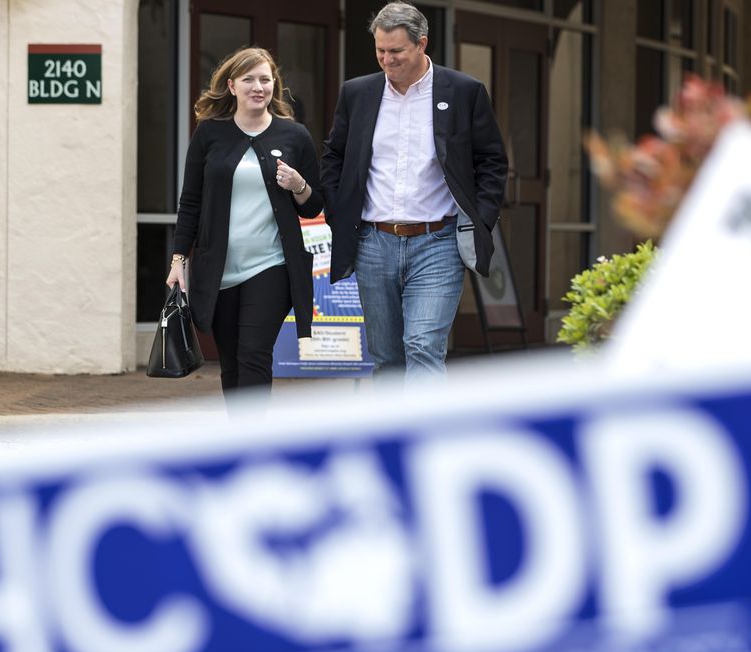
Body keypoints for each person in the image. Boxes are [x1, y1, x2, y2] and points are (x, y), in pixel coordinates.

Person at [320, 1, 507, 381]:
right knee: (387, 357)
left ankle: (427, 438)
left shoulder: (463, 91)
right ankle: (393, 439)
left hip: (437, 241)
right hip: (373, 242)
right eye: (380, 51)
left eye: (396, 52)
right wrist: (339, 211)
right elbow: (334, 155)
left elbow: (492, 161)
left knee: (422, 345)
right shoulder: (357, 93)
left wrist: (480, 220)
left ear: (422, 44)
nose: (386, 60)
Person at [167, 47, 322, 407]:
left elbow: (314, 204)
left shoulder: (295, 135)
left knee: (254, 354)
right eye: (249, 79)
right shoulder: (209, 134)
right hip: (218, 269)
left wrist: (299, 185)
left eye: (265, 79)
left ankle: (254, 443)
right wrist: (178, 260)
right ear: (232, 85)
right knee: (232, 363)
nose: (258, 87)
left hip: (271, 265)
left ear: (274, 86)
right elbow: (190, 202)